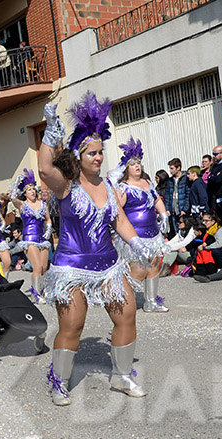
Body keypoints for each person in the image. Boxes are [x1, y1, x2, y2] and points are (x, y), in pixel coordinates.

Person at [40, 92, 158, 405]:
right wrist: (51, 133)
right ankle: (60, 382)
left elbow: (119, 219)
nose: (97, 157)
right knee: (73, 326)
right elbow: (43, 170)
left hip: (108, 264)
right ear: (78, 155)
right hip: (72, 267)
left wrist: (136, 243)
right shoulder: (65, 184)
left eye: (100, 152)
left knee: (128, 316)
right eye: (91, 153)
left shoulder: (107, 185)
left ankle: (121, 376)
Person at [109, 138, 170, 312]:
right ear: (126, 168)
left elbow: (156, 200)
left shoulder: (148, 183)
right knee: (138, 269)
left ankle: (150, 301)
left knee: (155, 264)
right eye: (132, 163)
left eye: (139, 163)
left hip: (153, 233)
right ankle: (120, 298)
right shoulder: (123, 187)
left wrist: (164, 215)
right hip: (135, 235)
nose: (137, 166)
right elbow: (117, 211)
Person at [11, 168, 51, 303]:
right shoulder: (22, 205)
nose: (32, 191)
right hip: (29, 239)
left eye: (33, 189)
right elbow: (12, 198)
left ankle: (43, 290)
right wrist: (16, 184)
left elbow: (48, 219)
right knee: (37, 267)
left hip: (42, 238)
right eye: (29, 189)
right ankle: (35, 293)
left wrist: (49, 228)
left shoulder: (43, 204)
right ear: (25, 193)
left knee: (45, 268)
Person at [192, 212, 222, 278]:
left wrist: (205, 247)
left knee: (215, 251)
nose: (204, 223)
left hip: (220, 253)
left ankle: (219, 267)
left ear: (213, 221)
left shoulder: (219, 230)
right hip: (207, 251)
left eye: (206, 221)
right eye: (203, 220)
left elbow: (219, 244)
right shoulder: (204, 230)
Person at [163, 158, 188, 223]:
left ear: (178, 168)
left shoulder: (185, 179)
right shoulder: (170, 180)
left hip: (182, 209)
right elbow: (167, 196)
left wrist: (185, 209)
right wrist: (167, 209)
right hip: (174, 210)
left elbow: (188, 195)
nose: (170, 171)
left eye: (172, 168)